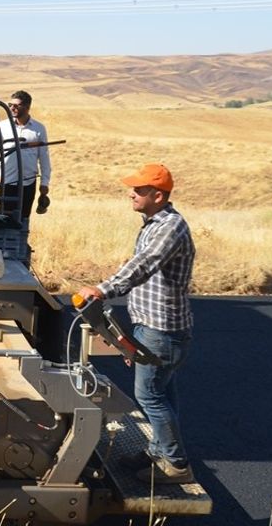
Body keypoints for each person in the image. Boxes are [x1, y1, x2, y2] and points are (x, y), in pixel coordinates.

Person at [76, 163, 196, 485]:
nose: (131, 193)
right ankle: (159, 451)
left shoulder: (170, 227)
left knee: (151, 397)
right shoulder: (153, 224)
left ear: (158, 195)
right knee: (163, 395)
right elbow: (140, 266)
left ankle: (176, 464)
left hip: (163, 330)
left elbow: (143, 266)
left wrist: (102, 289)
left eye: (139, 190)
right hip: (153, 327)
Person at [0, 90, 52, 221]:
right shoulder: (3, 126)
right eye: (10, 105)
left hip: (28, 182)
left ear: (27, 107)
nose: (12, 108)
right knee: (4, 218)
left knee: (23, 219)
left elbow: (44, 157)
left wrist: (45, 182)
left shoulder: (38, 128)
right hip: (7, 181)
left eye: (16, 105)